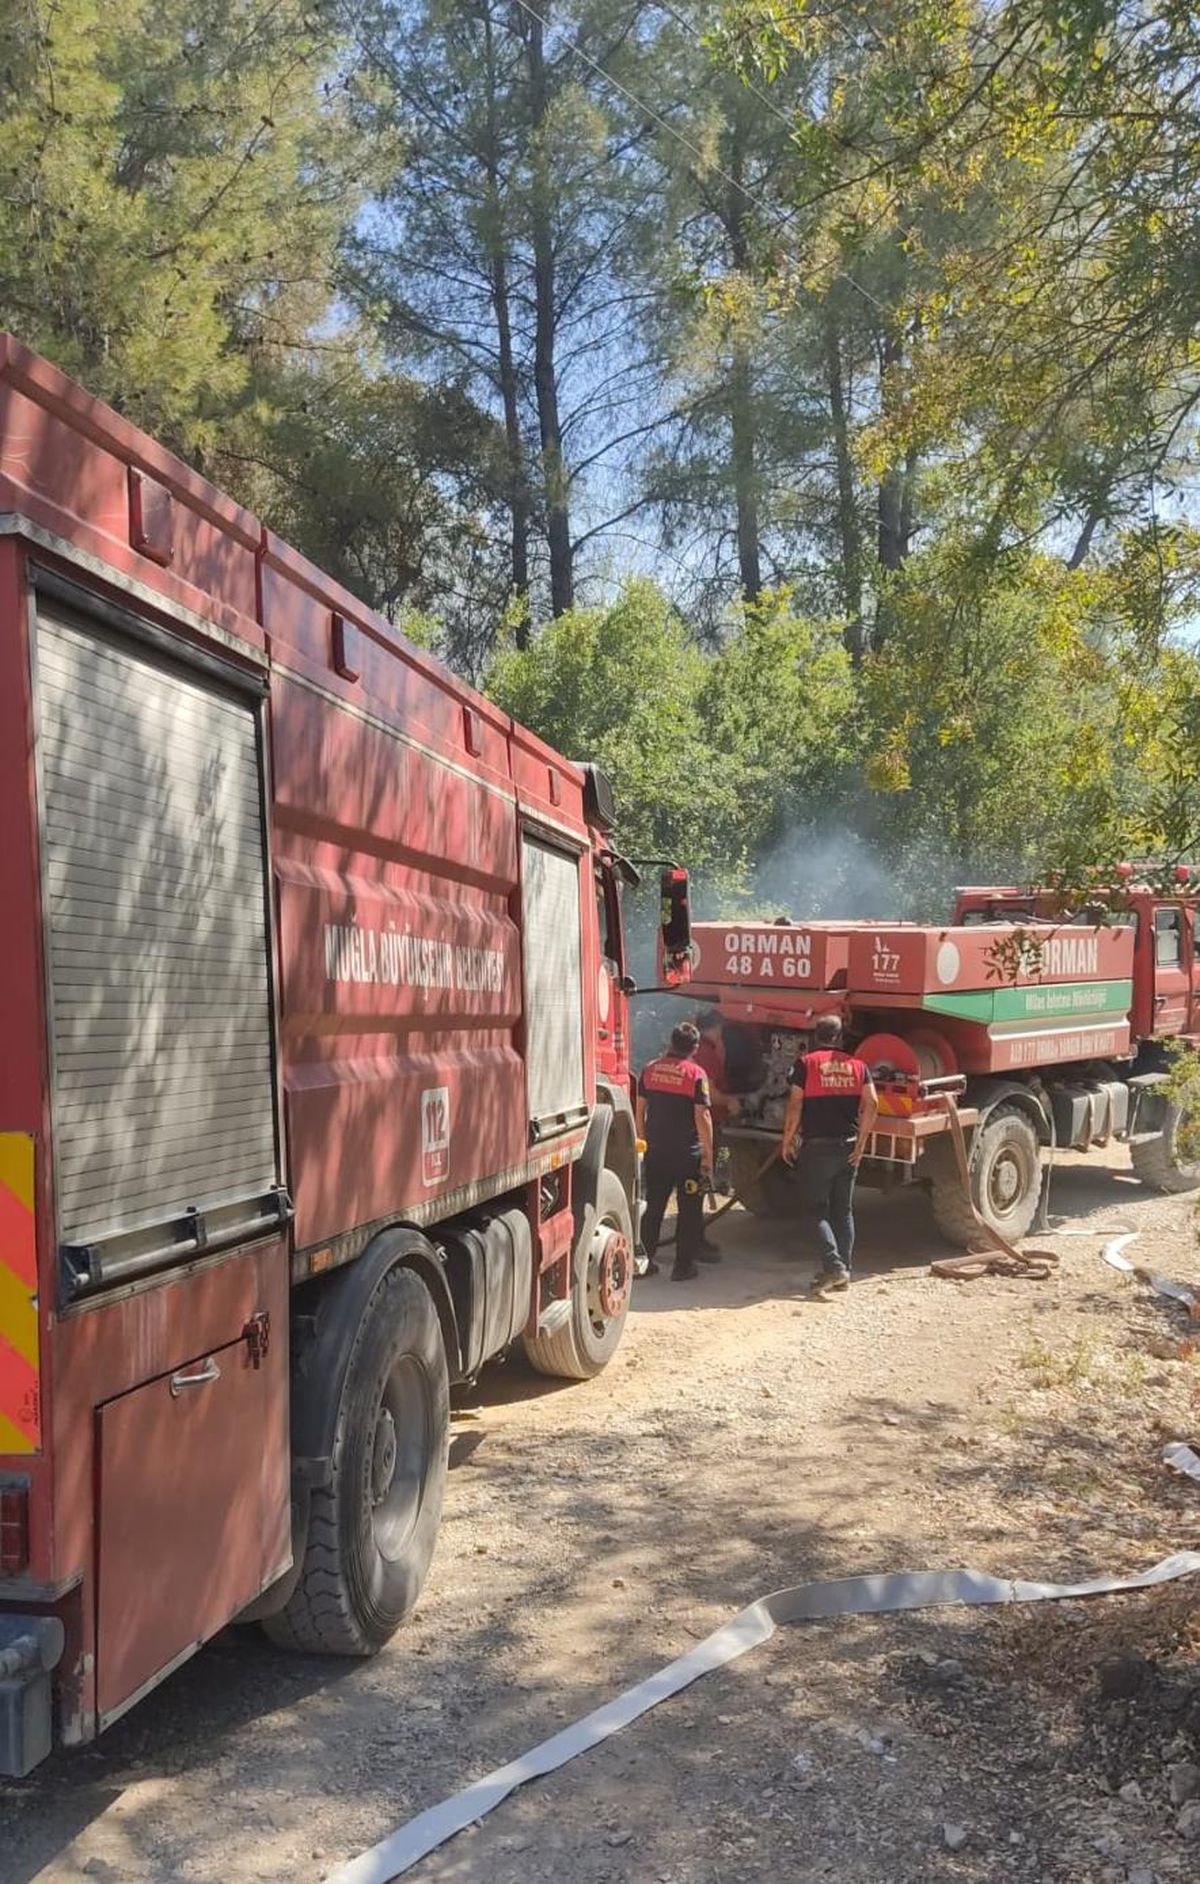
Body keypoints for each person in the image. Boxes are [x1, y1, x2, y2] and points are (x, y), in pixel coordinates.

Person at [780, 1013, 878, 1298]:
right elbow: (872, 1103)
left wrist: (787, 1140)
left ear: (816, 1036)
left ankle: (834, 1267)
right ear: (839, 1037)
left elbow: (795, 1105)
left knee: (814, 1210)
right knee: (843, 1210)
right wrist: (862, 1141)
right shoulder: (859, 1066)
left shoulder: (806, 1064)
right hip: (848, 1146)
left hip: (818, 1148)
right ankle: (843, 1273)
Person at [636, 1021, 717, 1282]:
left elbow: (639, 1111)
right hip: (687, 1156)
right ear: (694, 1048)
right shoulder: (696, 1074)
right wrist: (708, 1154)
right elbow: (702, 1116)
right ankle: (683, 1266)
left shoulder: (649, 1069)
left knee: (654, 1205)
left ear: (670, 1043)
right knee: (690, 1209)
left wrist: (642, 1141)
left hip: (656, 1151)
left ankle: (644, 1262)